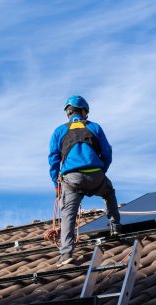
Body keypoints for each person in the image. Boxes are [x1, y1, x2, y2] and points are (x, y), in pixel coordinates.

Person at [48, 95, 122, 266]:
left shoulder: (59, 131)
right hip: (96, 175)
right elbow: (107, 152)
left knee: (68, 214)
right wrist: (101, 170)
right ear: (83, 111)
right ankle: (115, 227)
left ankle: (66, 254)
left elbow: (53, 160)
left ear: (68, 113)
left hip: (72, 179)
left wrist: (56, 185)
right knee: (109, 193)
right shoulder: (94, 127)